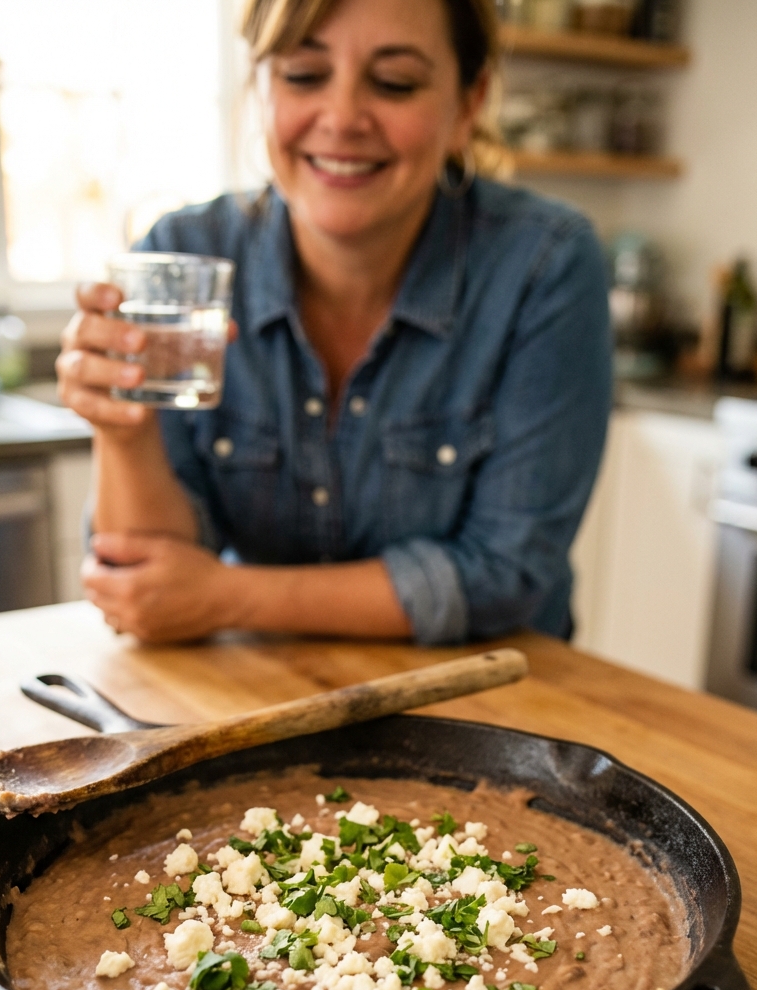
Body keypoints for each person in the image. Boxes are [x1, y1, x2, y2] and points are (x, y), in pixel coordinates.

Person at [57, 0, 612, 645]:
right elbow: (146, 586)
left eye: (394, 83)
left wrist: (228, 596)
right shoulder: (182, 253)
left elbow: (507, 571)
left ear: (468, 104)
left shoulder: (544, 264)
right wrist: (120, 426)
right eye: (303, 75)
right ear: (261, 86)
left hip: (492, 695)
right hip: (261, 692)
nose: (343, 118)